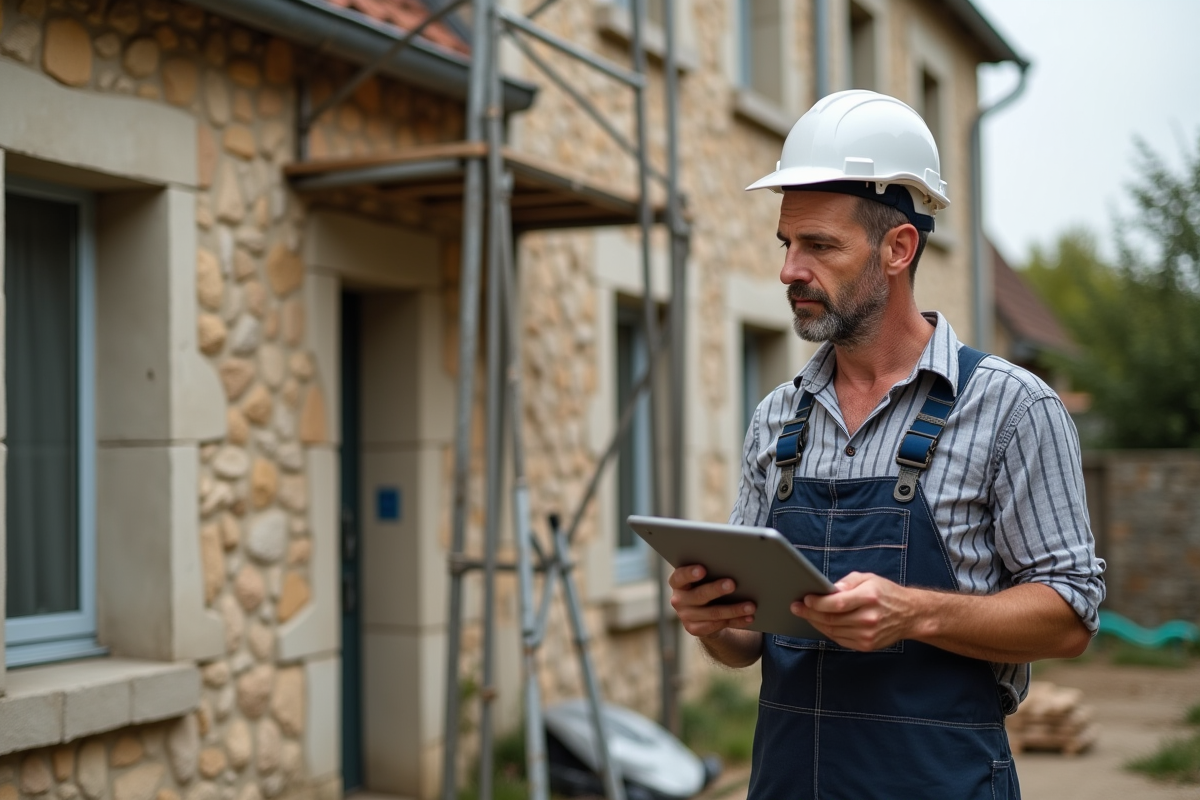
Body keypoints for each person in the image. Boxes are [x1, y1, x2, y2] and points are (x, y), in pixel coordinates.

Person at [667, 90, 1105, 800]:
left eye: (820, 245)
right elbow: (746, 645)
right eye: (787, 244)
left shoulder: (1013, 408)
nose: (790, 271)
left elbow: (1070, 616)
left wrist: (914, 612)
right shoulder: (778, 418)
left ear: (899, 248)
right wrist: (711, 622)